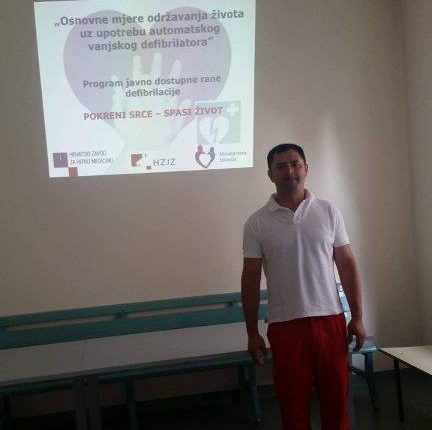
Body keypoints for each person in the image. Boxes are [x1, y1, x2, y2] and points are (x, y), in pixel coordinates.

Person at [241, 143, 365, 430]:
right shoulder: (256, 223)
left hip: (330, 321)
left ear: (306, 168)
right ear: (270, 174)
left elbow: (346, 265)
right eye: (281, 166)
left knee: (337, 404)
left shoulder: (328, 211)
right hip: (285, 326)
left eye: (295, 164)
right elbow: (250, 278)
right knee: (292, 407)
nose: (290, 171)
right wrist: (251, 332)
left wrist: (357, 317)